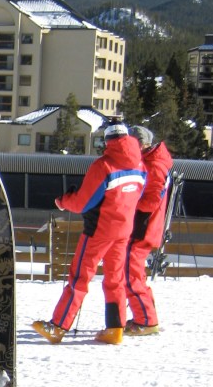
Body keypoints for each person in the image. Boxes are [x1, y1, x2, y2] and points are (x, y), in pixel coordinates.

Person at [32, 122, 146, 345]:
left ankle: (58, 326)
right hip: (123, 229)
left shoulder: (104, 165)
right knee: (115, 279)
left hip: (99, 230)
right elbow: (137, 195)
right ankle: (115, 329)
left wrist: (63, 201)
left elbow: (83, 202)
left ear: (107, 141)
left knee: (80, 277)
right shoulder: (141, 165)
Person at [123, 125, 173, 335]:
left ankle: (146, 320)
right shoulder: (152, 161)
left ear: (141, 145)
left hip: (143, 226)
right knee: (133, 273)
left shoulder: (154, 165)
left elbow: (151, 200)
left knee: (130, 273)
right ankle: (145, 315)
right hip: (144, 226)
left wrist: (127, 203)